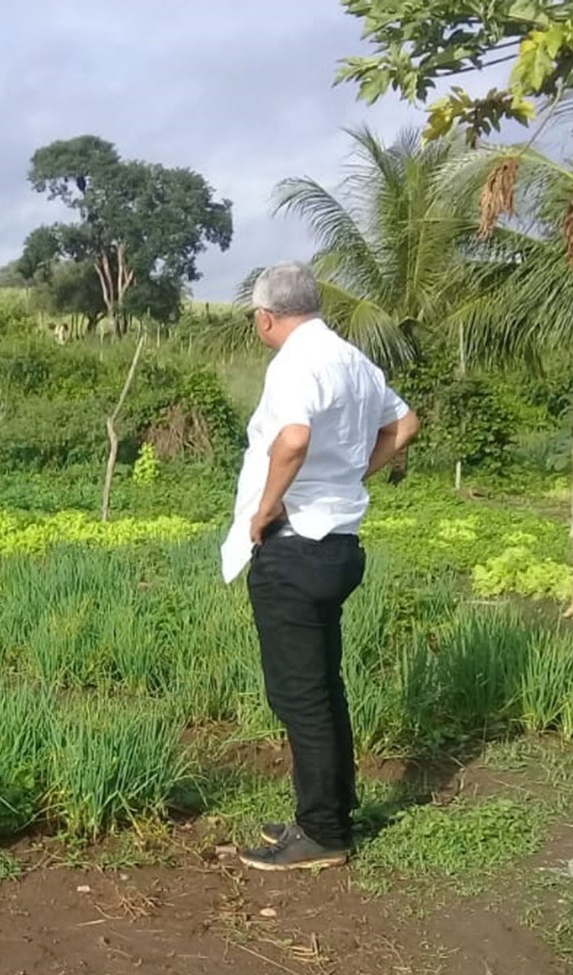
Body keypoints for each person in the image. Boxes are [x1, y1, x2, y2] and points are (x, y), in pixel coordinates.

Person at [222, 262, 421, 872]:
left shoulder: (294, 363)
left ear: (266, 318)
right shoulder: (354, 361)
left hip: (295, 545)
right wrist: (354, 475)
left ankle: (323, 833)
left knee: (298, 695)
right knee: (322, 689)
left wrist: (265, 509)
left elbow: (292, 440)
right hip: (339, 543)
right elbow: (406, 423)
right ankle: (329, 810)